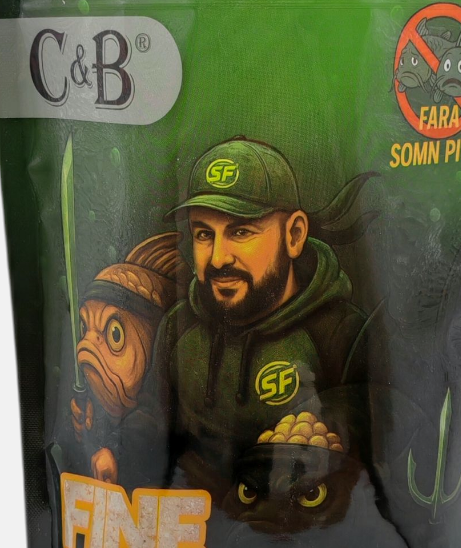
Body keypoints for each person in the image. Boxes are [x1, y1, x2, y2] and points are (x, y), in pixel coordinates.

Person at [112, 137, 376, 493]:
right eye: (204, 234)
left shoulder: (341, 333)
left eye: (240, 232)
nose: (218, 257)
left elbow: (385, 419)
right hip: (197, 519)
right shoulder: (178, 327)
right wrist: (121, 444)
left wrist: (330, 423)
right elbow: (154, 418)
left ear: (294, 235)